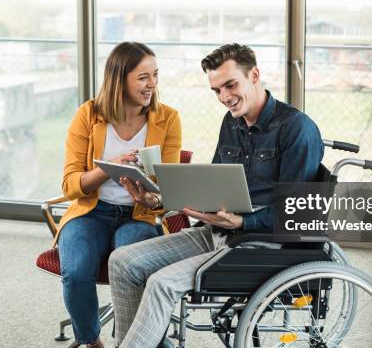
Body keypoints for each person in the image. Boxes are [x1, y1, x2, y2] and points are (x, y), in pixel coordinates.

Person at [108, 43, 324, 348]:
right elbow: (213, 182)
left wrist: (240, 222)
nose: (224, 97)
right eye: (216, 90)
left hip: (260, 246)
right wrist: (159, 199)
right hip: (218, 231)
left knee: (161, 284)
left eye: (230, 85)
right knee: (122, 261)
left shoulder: (297, 129)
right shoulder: (232, 123)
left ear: (255, 75)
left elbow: (297, 211)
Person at [56, 42, 182, 348]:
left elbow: (171, 192)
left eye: (155, 74)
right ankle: (91, 341)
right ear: (119, 78)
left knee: (134, 269)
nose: (152, 83)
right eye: (143, 77)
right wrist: (108, 168)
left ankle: (136, 339)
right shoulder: (88, 115)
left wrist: (150, 200)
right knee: (75, 272)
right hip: (91, 212)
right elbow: (70, 184)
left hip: (138, 215)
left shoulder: (168, 118)